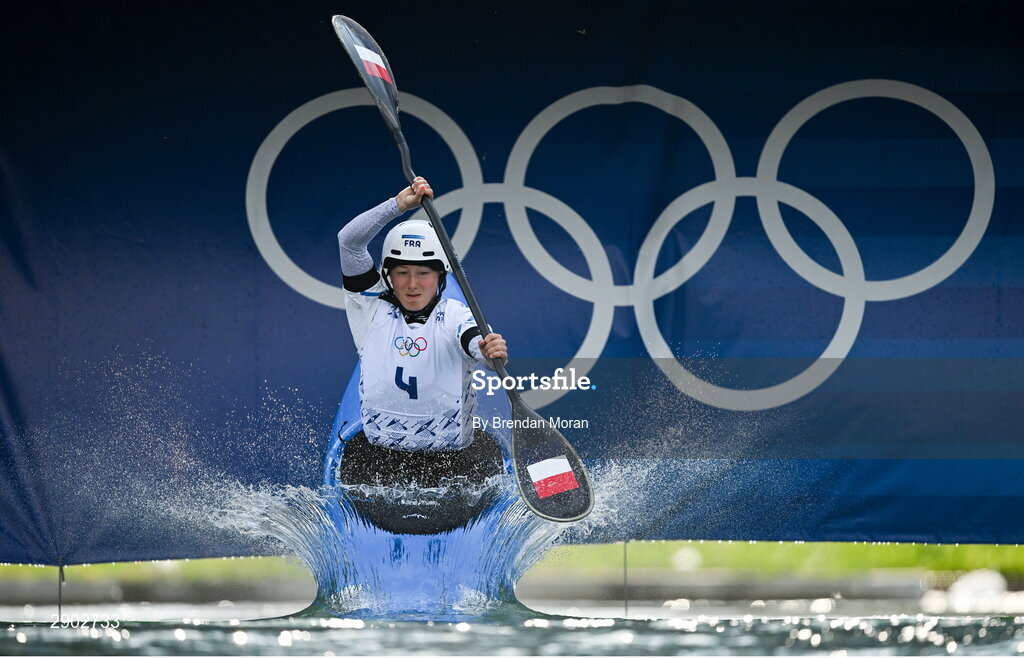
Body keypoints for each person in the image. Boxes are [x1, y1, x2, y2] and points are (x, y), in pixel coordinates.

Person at [336, 177, 508, 534]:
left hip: (457, 468)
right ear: (388, 275)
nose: (412, 284)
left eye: (423, 273)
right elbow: (349, 242)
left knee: (486, 453)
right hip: (378, 467)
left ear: (440, 276)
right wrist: (398, 205)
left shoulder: (457, 315)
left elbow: (474, 341)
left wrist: (488, 351)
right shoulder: (369, 308)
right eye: (402, 273)